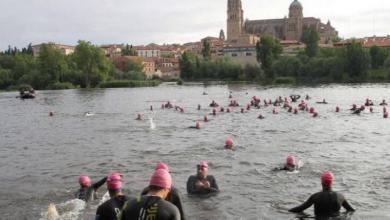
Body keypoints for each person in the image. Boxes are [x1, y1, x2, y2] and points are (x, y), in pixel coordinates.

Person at [289, 171, 355, 218]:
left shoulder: (315, 196)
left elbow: (300, 209)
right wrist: (343, 217)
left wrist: (283, 210)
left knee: (300, 216)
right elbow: (351, 210)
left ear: (322, 182)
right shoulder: (340, 196)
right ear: (332, 182)